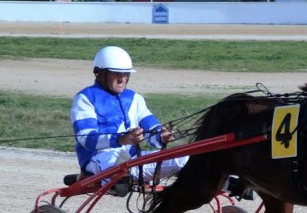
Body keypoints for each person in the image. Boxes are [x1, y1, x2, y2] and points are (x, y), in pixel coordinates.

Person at [70, 46, 254, 199]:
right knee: (114, 162)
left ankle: (233, 185)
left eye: (126, 74)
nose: (123, 78)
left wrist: (161, 136)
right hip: (98, 160)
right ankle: (117, 182)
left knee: (186, 158)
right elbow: (85, 138)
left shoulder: (135, 99)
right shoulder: (85, 98)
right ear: (99, 73)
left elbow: (152, 128)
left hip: (134, 162)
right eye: (116, 74)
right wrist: (121, 140)